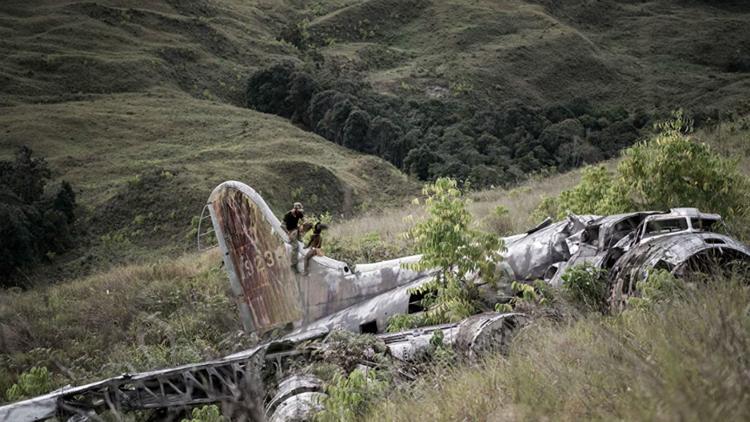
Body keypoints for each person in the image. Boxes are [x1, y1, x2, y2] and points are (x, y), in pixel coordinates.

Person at [283, 202, 304, 272]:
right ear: (295, 209)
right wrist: (288, 233)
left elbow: (304, 220)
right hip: (290, 231)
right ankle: (293, 264)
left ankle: (300, 238)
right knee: (296, 247)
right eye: (298, 210)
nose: (299, 212)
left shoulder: (299, 213)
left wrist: (302, 225)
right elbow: (282, 225)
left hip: (296, 229)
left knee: (300, 244)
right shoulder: (288, 215)